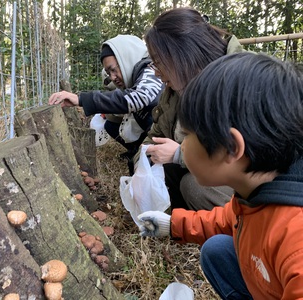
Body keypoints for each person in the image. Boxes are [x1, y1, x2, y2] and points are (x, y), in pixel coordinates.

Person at [138, 52, 303, 299]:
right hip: (268, 283)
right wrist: (171, 224)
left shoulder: (295, 241)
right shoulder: (254, 195)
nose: (181, 146)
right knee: (216, 249)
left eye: (187, 135)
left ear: (230, 147)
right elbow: (225, 220)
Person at [135, 7, 245, 211]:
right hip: (207, 168)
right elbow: (155, 134)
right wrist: (141, 160)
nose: (157, 73)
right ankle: (183, 220)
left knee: (194, 187)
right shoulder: (176, 89)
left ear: (183, 56)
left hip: (251, 182)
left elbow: (245, 157)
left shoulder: (241, 81)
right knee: (154, 165)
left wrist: (179, 155)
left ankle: (236, 226)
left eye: (159, 63)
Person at [49, 35, 164, 173]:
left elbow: (140, 97)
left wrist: (81, 99)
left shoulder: (149, 69)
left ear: (126, 58)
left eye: (114, 69)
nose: (112, 78)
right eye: (109, 73)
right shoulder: (136, 76)